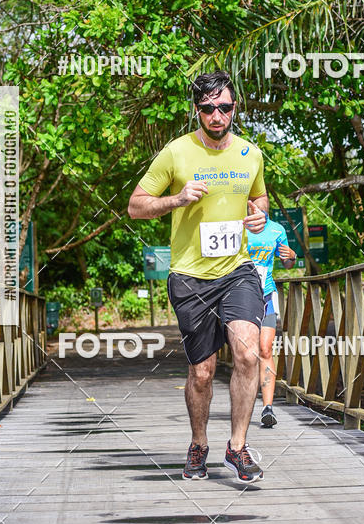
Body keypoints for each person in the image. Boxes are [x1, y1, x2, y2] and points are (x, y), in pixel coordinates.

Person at [127, 70, 269, 483]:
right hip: (190, 277)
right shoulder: (175, 153)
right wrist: (177, 198)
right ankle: (199, 444)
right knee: (202, 372)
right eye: (208, 108)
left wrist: (259, 217)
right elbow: (136, 206)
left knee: (247, 353)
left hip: (237, 270)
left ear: (234, 108)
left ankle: (238, 448)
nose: (217, 115)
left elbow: (258, 198)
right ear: (197, 111)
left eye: (224, 107)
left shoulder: (250, 154)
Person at [246, 219, 296, 427]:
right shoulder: (234, 223)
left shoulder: (276, 229)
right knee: (246, 353)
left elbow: (287, 263)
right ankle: (244, 404)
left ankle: (268, 408)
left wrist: (292, 257)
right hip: (240, 297)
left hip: (266, 294)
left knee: (266, 349)